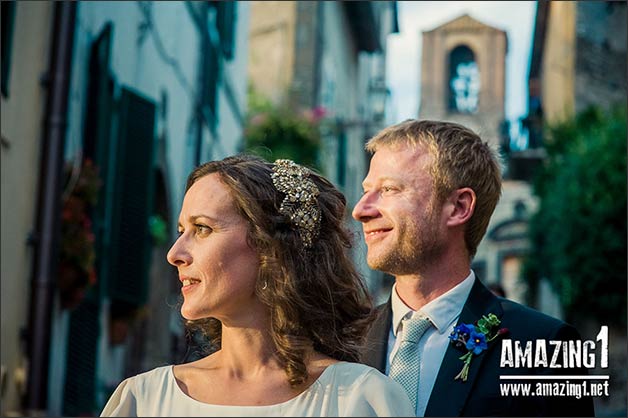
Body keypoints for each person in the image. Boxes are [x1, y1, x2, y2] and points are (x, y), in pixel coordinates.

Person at [101, 155, 414, 417]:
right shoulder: (143, 401)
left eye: (202, 228)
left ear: (270, 249)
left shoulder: (362, 401)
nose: (175, 254)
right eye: (181, 229)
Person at [352, 119, 595, 417]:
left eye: (389, 189)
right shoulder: (340, 343)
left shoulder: (545, 348)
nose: (361, 210)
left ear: (458, 207)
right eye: (367, 190)